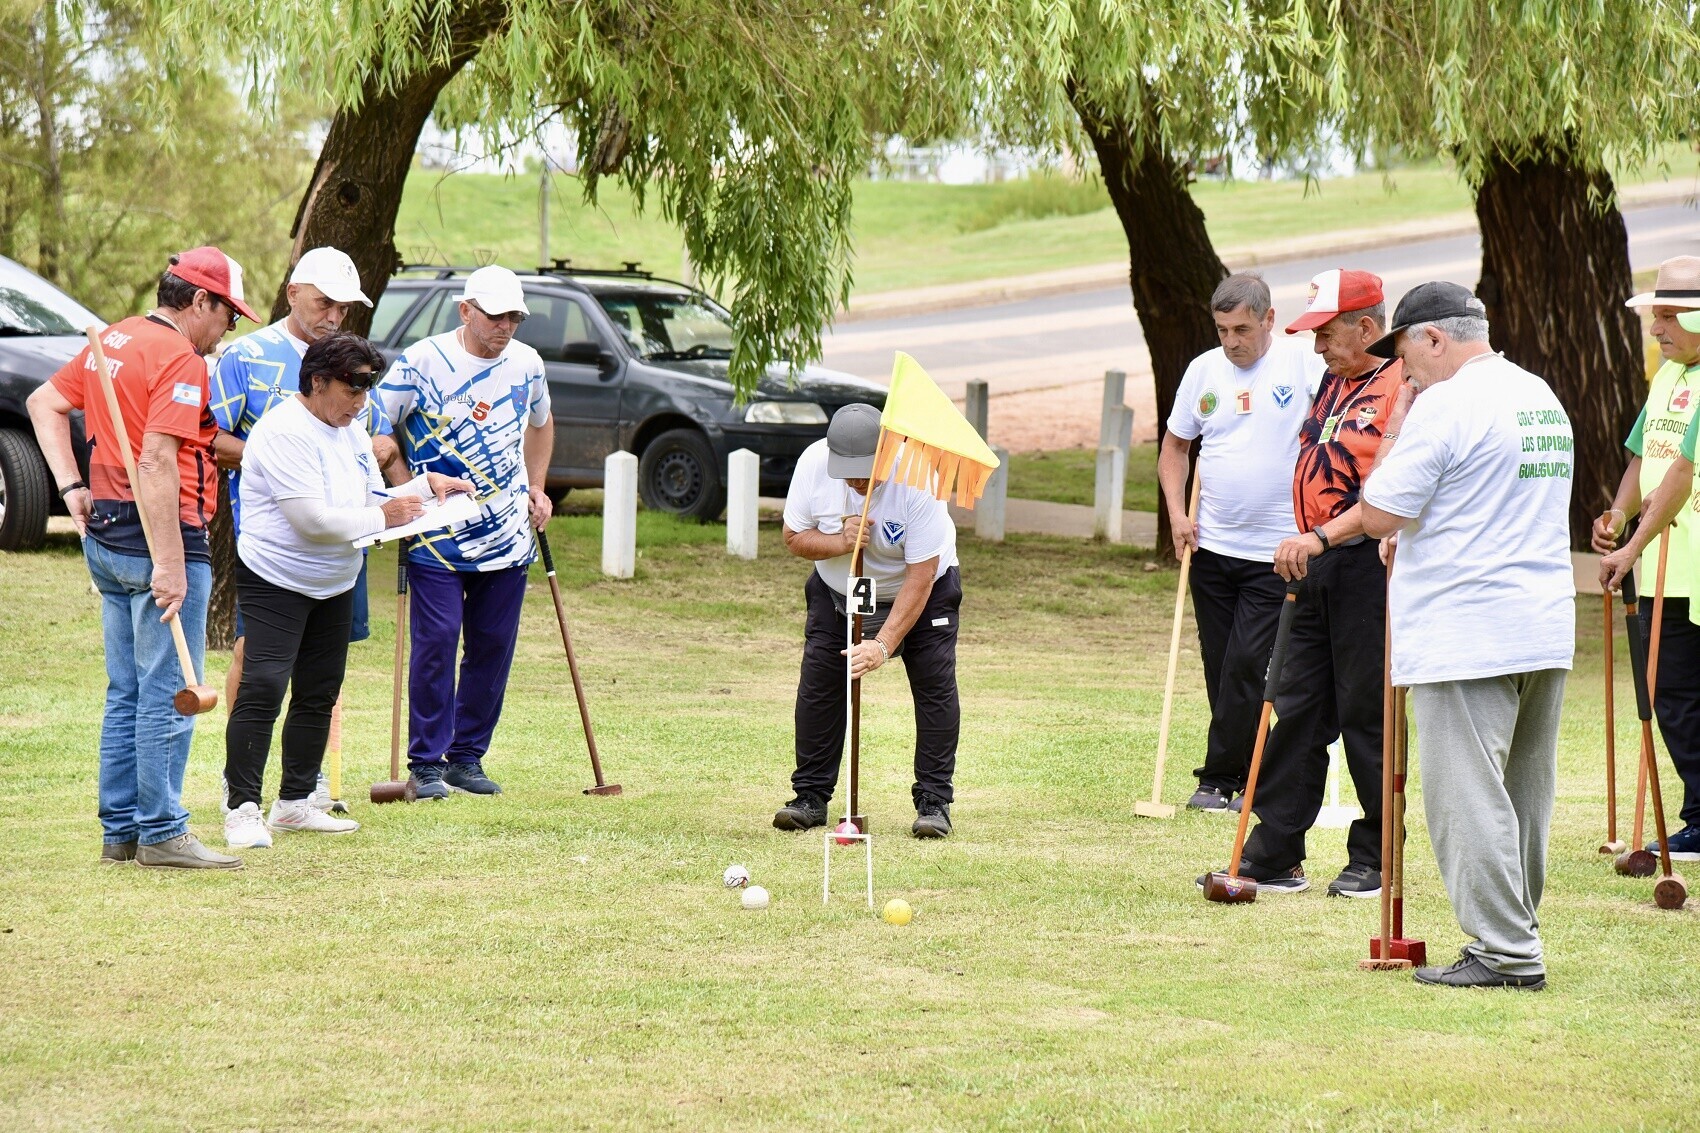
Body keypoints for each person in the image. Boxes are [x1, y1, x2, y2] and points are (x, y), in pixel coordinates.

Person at [1320, 281, 1572, 989]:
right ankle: (1516, 929)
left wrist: (1398, 417)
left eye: (1402, 354)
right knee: (1524, 794)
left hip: (1467, 626)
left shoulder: (1444, 405)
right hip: (1541, 621)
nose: (1402, 372)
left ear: (1433, 337)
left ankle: (1506, 951)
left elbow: (1378, 510)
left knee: (1467, 796)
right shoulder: (1539, 395)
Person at [25, 246, 260, 869]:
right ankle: (162, 830)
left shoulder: (119, 337)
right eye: (228, 315)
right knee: (170, 690)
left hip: (105, 531)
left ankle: (121, 831)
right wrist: (171, 561)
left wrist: (73, 488)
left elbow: (42, 404)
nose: (226, 330)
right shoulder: (181, 358)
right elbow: (157, 459)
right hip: (163, 532)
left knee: (126, 690)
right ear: (199, 300)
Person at [222, 334, 472, 848]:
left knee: (319, 691)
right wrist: (383, 514)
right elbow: (312, 519)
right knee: (265, 686)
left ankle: (294, 803)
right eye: (352, 390)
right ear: (317, 383)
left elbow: (368, 496)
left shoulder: (351, 430)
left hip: (334, 579)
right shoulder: (284, 431)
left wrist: (425, 489)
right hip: (276, 577)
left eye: (367, 391)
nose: (361, 404)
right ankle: (242, 808)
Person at [1215, 270, 1408, 896]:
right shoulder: (1332, 380)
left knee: (1366, 711)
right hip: (1314, 561)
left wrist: (1324, 537)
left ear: (1368, 328)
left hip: (1367, 563)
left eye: (1326, 334)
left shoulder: (1403, 386)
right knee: (1295, 706)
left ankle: (1376, 856)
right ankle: (1274, 852)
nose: (1317, 347)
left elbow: (1388, 492)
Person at [210, 246, 399, 811]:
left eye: (345, 307)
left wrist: (374, 459)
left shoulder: (353, 363)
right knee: (259, 666)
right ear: (293, 294)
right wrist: (285, 461)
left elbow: (380, 440)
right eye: (324, 302)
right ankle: (238, 783)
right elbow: (210, 439)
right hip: (271, 541)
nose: (334, 315)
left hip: (344, 535)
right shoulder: (247, 355)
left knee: (323, 667)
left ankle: (306, 784)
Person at [373, 265, 553, 799]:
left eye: (514, 317)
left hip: (508, 536)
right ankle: (425, 763)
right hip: (436, 535)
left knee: (493, 645)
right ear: (466, 311)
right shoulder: (423, 360)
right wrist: (407, 491)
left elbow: (541, 422)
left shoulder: (527, 363)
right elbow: (376, 426)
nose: (505, 327)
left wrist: (537, 488)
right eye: (495, 315)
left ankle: (466, 758)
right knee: (437, 641)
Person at [1158, 271, 1325, 812]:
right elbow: (1175, 450)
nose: (1232, 341)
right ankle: (1240, 776)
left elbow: (1341, 423)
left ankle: (1223, 778)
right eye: (1223, 329)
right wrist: (1177, 514)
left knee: (1251, 663)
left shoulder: (1301, 363)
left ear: (1269, 320)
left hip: (1276, 552)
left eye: (1243, 329)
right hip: (1212, 549)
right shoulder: (1203, 371)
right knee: (1222, 663)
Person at [774, 403, 962, 838]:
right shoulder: (813, 464)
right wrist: (840, 540)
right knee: (819, 685)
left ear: (887, 452)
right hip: (838, 594)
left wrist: (883, 644)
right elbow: (793, 537)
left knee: (935, 688)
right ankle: (810, 797)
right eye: (849, 470)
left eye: (866, 469)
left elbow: (921, 575)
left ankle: (934, 802)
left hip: (920, 592)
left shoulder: (918, 477)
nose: (858, 480)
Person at [1596, 256, 1700, 861]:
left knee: (1683, 694)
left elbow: (1682, 476)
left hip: (1685, 562)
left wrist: (1633, 546)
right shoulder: (1666, 377)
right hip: (1669, 567)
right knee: (1672, 693)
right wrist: (1617, 516)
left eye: (1666, 317)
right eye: (1654, 317)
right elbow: (1645, 457)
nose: (1655, 330)